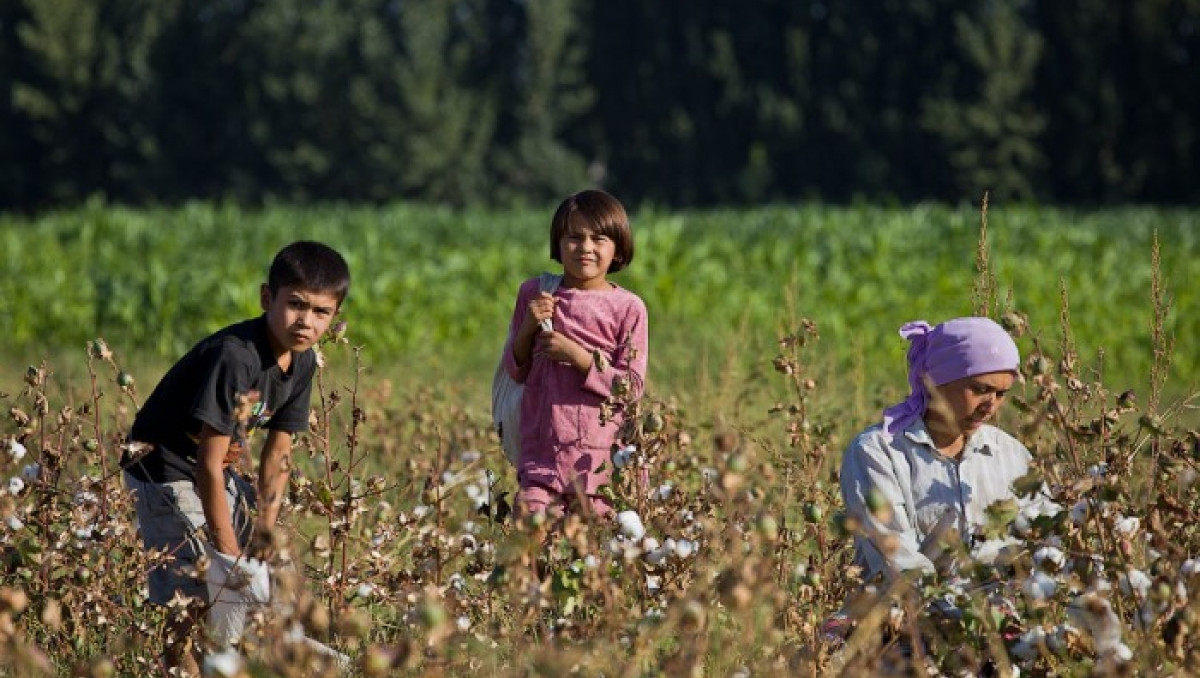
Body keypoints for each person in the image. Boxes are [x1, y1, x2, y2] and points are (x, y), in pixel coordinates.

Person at [120, 240, 349, 675]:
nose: (306, 321)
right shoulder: (235, 357)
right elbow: (207, 462)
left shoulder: (302, 364)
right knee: (196, 586)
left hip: (213, 469)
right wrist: (228, 552)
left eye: (321, 312)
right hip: (162, 469)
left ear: (335, 316)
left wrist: (263, 532)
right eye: (295, 305)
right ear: (267, 298)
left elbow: (278, 454)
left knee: (273, 573)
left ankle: (241, 659)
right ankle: (179, 668)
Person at [839, 317, 1032, 583]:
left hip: (999, 616)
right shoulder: (878, 452)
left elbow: (1041, 538)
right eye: (980, 389)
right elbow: (896, 558)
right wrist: (954, 614)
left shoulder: (1012, 455)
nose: (991, 406)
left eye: (1001, 394)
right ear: (935, 381)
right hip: (905, 617)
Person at [502, 189, 649, 520]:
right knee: (531, 538)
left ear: (618, 247)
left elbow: (631, 387)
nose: (585, 248)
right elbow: (516, 370)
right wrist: (528, 327)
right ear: (558, 242)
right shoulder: (535, 293)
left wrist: (580, 358)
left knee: (593, 558)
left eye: (598, 239)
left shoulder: (628, 308)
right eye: (574, 237)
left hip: (600, 465)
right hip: (541, 456)